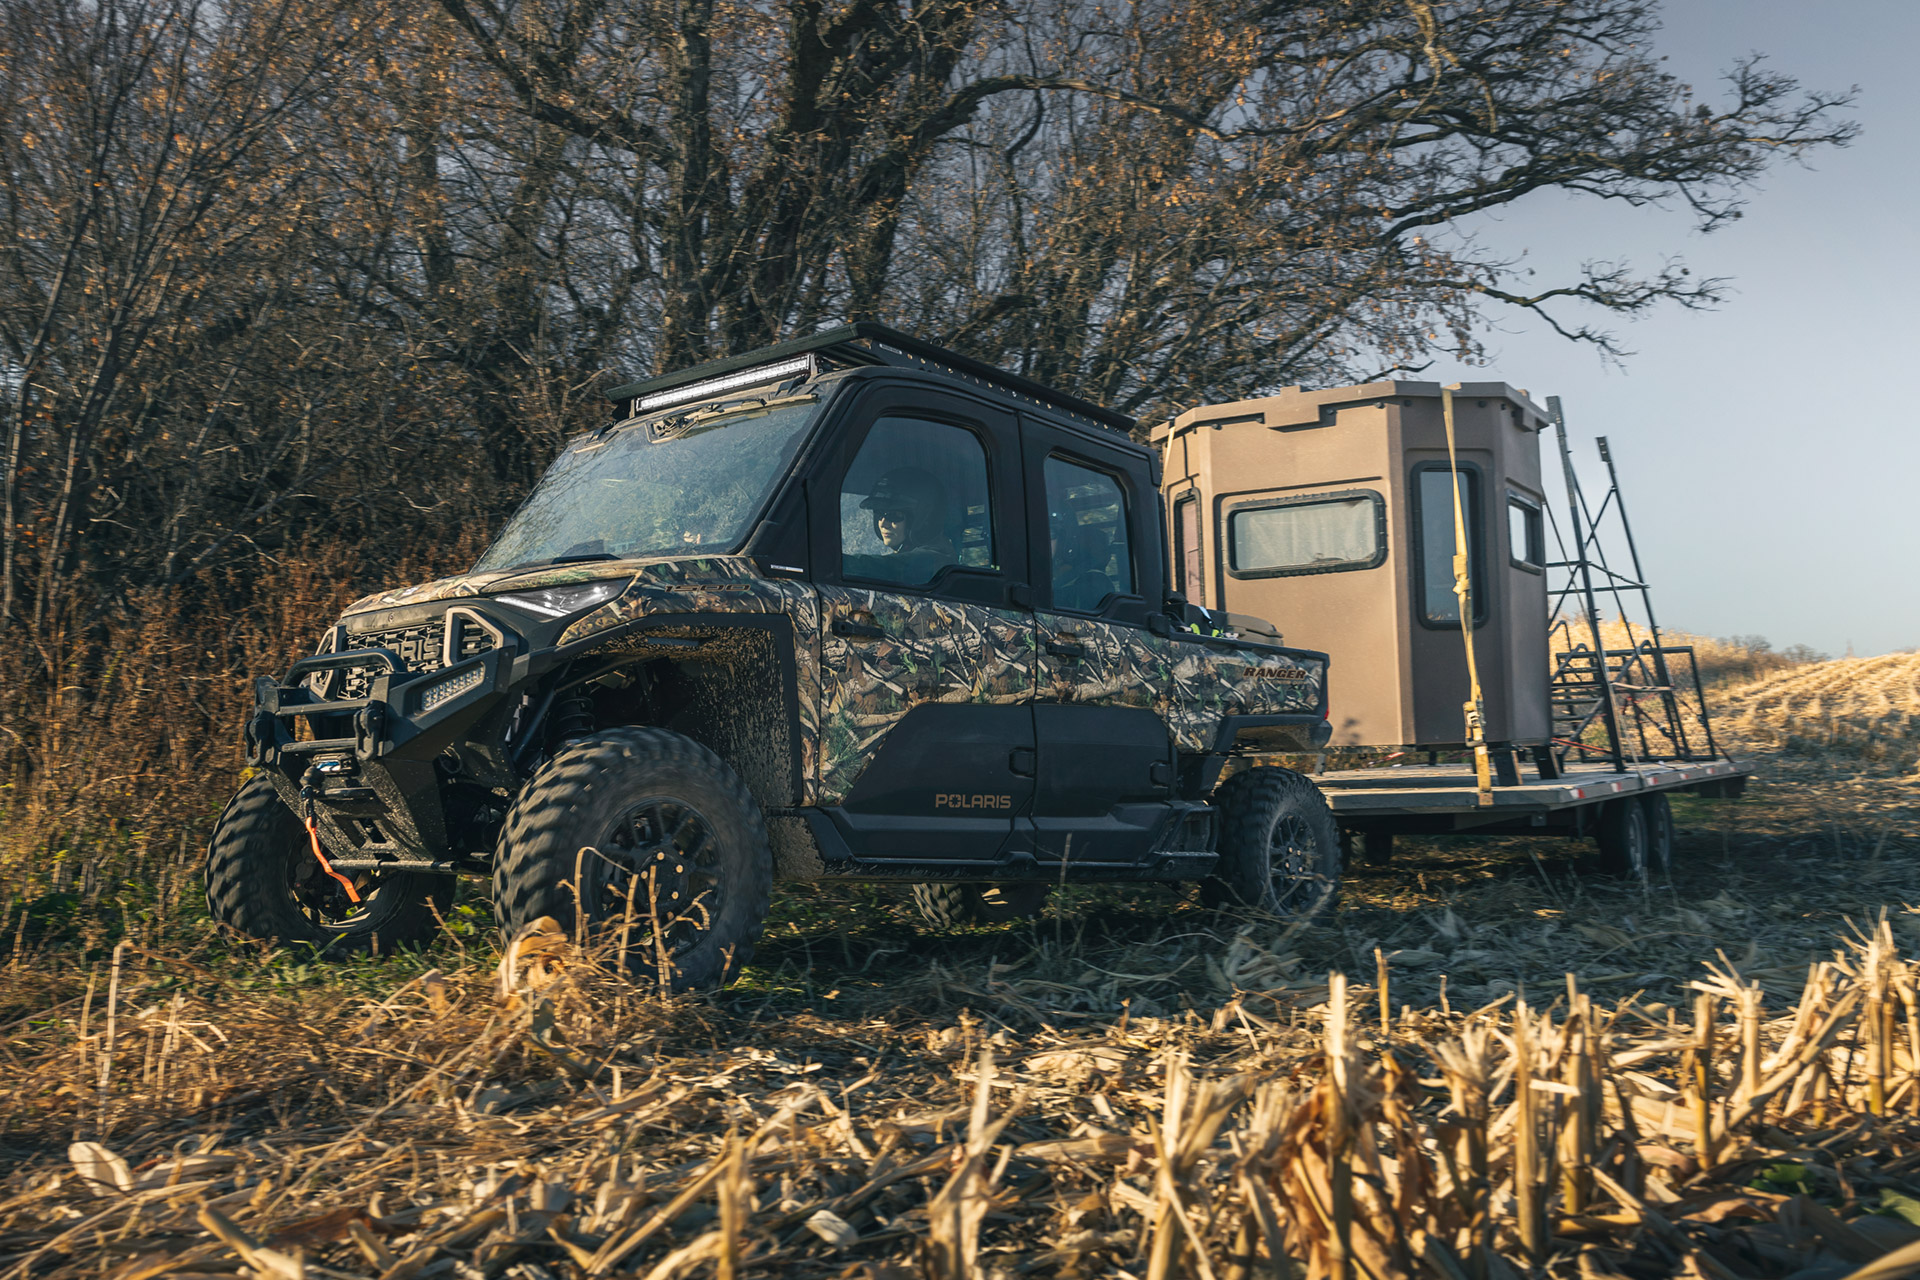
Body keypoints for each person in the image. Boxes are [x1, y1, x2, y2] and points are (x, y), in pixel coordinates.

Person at [860, 467, 956, 561]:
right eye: (879, 514)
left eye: (894, 515)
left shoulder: (935, 558)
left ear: (923, 520)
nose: (883, 524)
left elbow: (895, 566)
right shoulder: (905, 557)